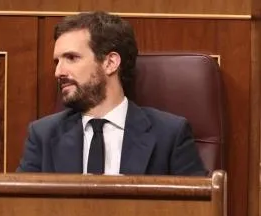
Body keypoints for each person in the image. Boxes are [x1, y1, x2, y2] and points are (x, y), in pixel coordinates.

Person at [16, 11, 207, 176]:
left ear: (110, 63)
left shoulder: (169, 134)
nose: (58, 72)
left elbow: (199, 205)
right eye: (57, 62)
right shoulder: (43, 135)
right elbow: (20, 204)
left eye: (72, 58)